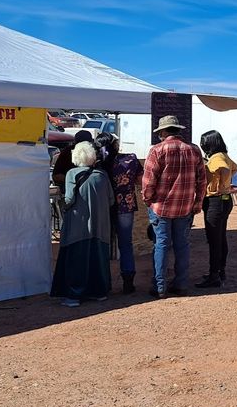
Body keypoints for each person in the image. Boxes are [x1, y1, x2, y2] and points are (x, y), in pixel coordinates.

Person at [142, 115, 207, 298]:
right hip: (185, 207)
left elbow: (148, 182)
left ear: (163, 132)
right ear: (178, 130)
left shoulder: (157, 150)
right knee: (182, 245)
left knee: (161, 244)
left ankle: (160, 286)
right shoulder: (193, 150)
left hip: (161, 207)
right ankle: (181, 284)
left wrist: (148, 200)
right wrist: (197, 203)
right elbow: (202, 181)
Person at [50, 141, 114, 307]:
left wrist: (62, 203)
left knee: (76, 259)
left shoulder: (72, 174)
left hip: (78, 226)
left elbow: (69, 199)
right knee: (97, 258)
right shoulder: (102, 175)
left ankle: (74, 296)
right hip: (100, 227)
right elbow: (111, 200)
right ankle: (98, 292)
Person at [95, 132, 143, 294]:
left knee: (102, 244)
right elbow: (140, 181)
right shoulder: (130, 159)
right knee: (125, 244)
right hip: (125, 206)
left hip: (104, 207)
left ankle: (103, 282)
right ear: (115, 144)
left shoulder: (97, 164)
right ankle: (128, 282)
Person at [196, 130, 237, 288]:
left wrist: (221, 185)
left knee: (214, 240)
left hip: (215, 200)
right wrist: (225, 185)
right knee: (220, 238)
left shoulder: (216, 158)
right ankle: (220, 271)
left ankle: (214, 275)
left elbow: (227, 170)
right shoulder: (223, 155)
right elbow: (234, 168)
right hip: (224, 201)